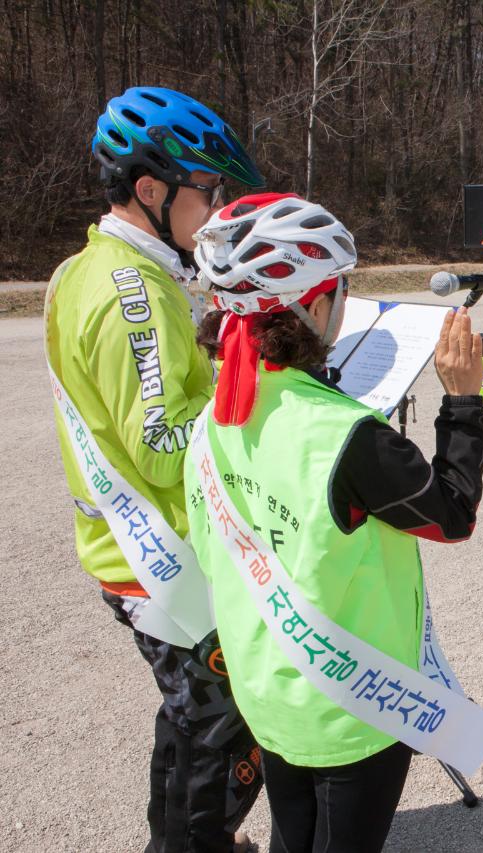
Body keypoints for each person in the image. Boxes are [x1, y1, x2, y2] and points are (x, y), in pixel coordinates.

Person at [184, 193, 483, 852]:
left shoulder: (216, 414)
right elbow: (454, 513)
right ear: (315, 308)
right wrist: (463, 402)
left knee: (293, 837)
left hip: (267, 692)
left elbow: (214, 554)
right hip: (355, 711)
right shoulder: (350, 437)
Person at [45, 86, 265, 851]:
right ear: (151, 190)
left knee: (189, 712)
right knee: (229, 729)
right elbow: (164, 448)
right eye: (209, 190)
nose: (218, 206)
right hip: (158, 556)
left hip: (131, 549)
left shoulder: (91, 266)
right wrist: (264, 415)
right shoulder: (131, 293)